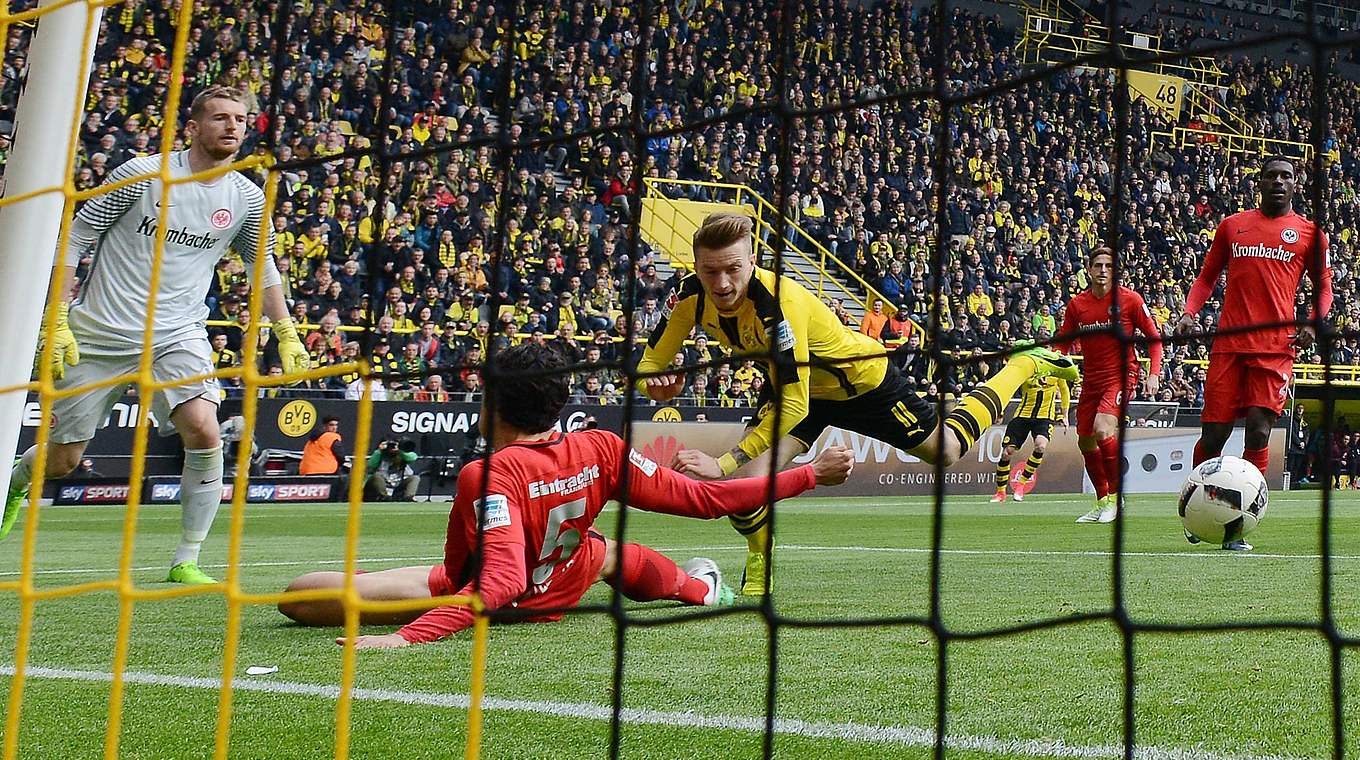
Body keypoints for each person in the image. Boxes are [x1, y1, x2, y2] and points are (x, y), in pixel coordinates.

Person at [277, 343, 854, 648]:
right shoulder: (601, 448)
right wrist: (808, 473)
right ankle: (700, 589)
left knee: (298, 596)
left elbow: (498, 583)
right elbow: (709, 500)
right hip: (565, 577)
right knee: (603, 553)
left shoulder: (490, 472)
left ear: (494, 405)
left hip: (489, 594)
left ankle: (696, 586)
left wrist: (405, 637)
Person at [636, 213, 1077, 595]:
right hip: (798, 387)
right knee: (747, 487)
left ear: (752, 261)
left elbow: (793, 404)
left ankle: (1020, 365)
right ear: (695, 265)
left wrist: (725, 462)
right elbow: (652, 362)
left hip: (859, 382)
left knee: (944, 452)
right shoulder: (687, 296)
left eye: (733, 269)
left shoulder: (778, 303)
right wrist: (657, 385)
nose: (722, 283)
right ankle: (761, 561)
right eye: (710, 272)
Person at [1, 86, 309, 584]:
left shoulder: (248, 198)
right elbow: (76, 237)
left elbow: (262, 265)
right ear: (192, 127)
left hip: (177, 334)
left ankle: (186, 558)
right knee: (63, 459)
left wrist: (287, 331)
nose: (232, 126)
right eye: (219, 118)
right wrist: (55, 319)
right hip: (98, 335)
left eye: (240, 119)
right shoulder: (142, 174)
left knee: (205, 431)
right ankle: (17, 480)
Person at [1175, 155, 1331, 550]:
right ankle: (1197, 511)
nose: (1278, 181)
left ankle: (1240, 525)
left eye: (1286, 176)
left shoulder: (1310, 234)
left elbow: (1323, 288)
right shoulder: (1233, 226)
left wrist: (1312, 322)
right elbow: (1207, 276)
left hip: (1275, 347)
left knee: (1260, 431)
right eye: (1271, 176)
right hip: (1229, 345)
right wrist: (1190, 313)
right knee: (1213, 436)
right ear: (1259, 183)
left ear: (1296, 185)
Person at [1056, 247, 1162, 524]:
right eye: (1098, 265)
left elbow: (1154, 338)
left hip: (1122, 374)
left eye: (1109, 266)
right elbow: (1063, 344)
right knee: (1086, 440)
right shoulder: (1077, 305)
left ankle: (1117, 498)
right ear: (1089, 270)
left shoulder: (1131, 301)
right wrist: (1052, 365)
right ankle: (1102, 501)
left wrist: (1154, 373)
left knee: (1103, 430)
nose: (1103, 270)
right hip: (1091, 378)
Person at [992, 369, 1069, 503]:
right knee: (1006, 453)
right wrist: (1001, 409)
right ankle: (1000, 493)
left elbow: (1064, 391)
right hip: (1022, 415)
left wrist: (1065, 415)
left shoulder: (1056, 369)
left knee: (1040, 446)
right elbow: (1009, 388)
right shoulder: (1027, 367)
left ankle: (1021, 485)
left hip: (1045, 417)